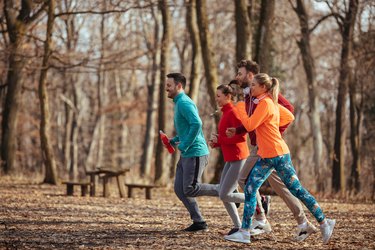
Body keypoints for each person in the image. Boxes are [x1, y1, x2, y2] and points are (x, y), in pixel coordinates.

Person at [224, 73, 336, 244]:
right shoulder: (267, 103)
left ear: (264, 87)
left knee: (297, 190)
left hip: (278, 155)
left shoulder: (266, 103)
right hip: (266, 156)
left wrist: (239, 108)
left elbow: (250, 125)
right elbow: (287, 117)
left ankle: (324, 222)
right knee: (250, 188)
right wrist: (271, 124)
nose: (250, 87)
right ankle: (244, 231)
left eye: (254, 85)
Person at [164, 72, 219, 232]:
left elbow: (196, 124)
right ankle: (199, 222)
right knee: (180, 189)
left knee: (190, 188)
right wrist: (173, 141)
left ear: (179, 86)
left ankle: (225, 189)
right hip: (187, 153)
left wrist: (185, 144)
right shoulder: (179, 103)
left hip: (195, 152)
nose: (166, 88)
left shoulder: (184, 103)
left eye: (169, 85)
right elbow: (187, 129)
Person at [208, 84, 249, 236]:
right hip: (230, 159)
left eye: (219, 96)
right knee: (223, 192)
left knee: (224, 194)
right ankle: (237, 226)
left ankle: (260, 200)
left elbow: (241, 136)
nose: (216, 99)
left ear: (227, 96)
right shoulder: (225, 113)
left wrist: (222, 140)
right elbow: (227, 137)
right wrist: (216, 142)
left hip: (239, 157)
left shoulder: (233, 112)